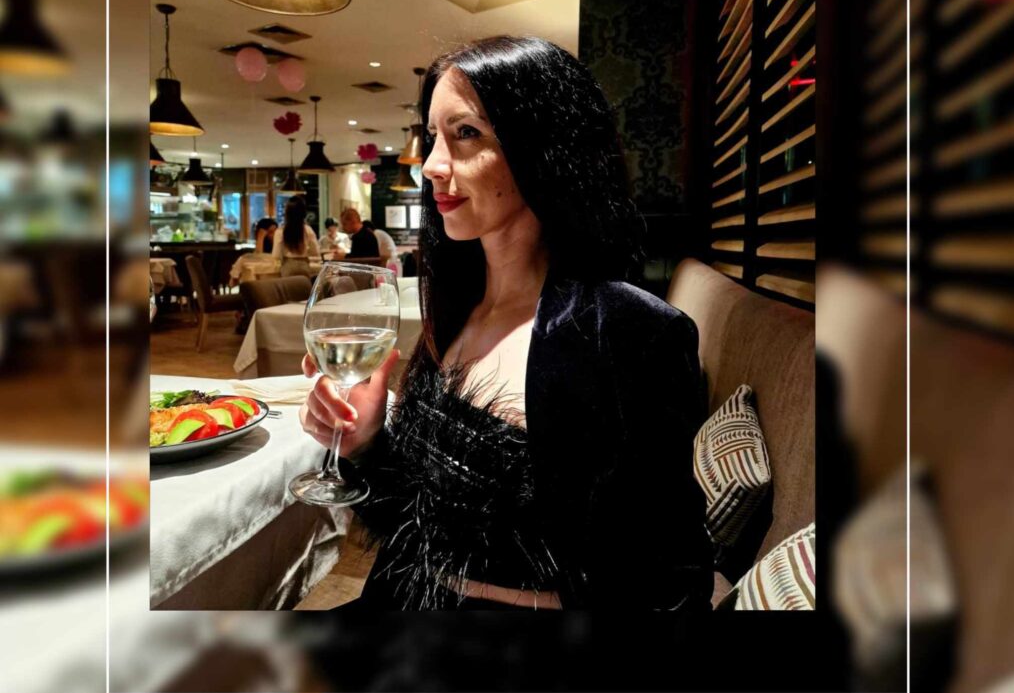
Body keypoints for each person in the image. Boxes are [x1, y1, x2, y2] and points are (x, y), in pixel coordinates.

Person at [298, 36, 711, 610]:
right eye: (432, 136)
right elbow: (417, 528)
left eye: (466, 133)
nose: (432, 165)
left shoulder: (628, 330)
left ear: (543, 146)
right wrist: (366, 444)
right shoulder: (459, 308)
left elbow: (670, 579)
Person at [272, 196, 319, 277]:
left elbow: (276, 254)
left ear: (287, 213)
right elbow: (315, 252)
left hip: (288, 266)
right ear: (303, 213)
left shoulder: (280, 231)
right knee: (303, 285)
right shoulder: (308, 230)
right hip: (304, 265)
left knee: (289, 285)